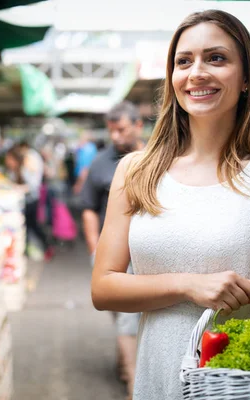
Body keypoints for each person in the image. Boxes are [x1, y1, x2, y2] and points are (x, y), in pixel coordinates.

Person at [90, 10, 250, 399]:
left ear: (246, 77)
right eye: (184, 61)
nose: (196, 72)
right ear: (172, 78)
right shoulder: (136, 171)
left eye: (216, 58)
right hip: (156, 381)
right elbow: (104, 289)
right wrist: (189, 285)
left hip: (237, 386)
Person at [80, 101, 144, 399]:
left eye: (122, 129)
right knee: (122, 316)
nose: (116, 136)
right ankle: (131, 367)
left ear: (138, 125)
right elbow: (89, 208)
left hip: (143, 252)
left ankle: (134, 381)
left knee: (130, 318)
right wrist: (95, 247)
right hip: (111, 253)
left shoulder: (154, 157)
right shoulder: (101, 163)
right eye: (112, 130)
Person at [5, 143, 55, 262]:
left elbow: (33, 185)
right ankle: (28, 251)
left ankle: (46, 247)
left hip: (32, 199)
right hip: (29, 199)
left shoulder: (29, 159)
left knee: (32, 225)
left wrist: (17, 188)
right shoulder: (25, 161)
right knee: (29, 226)